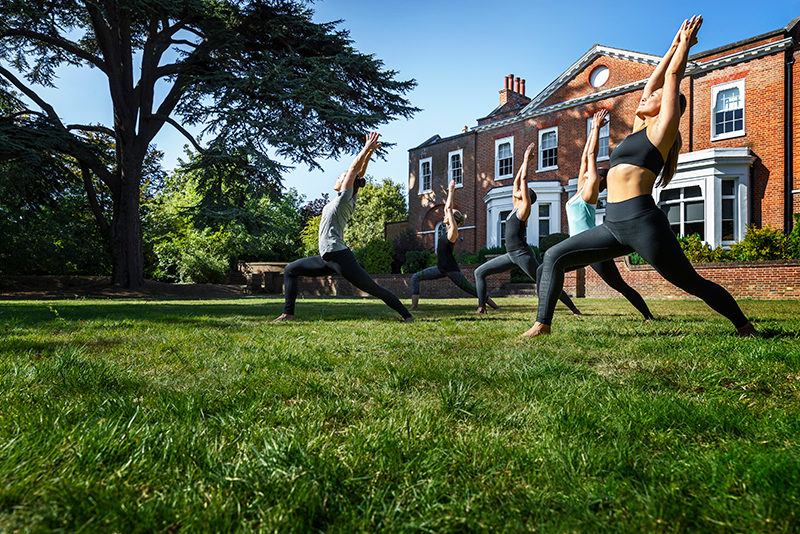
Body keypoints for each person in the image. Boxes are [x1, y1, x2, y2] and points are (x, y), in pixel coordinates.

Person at [525, 15, 756, 337]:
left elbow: (673, 76)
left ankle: (745, 326)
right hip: (613, 224)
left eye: (655, 97)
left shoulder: (662, 131)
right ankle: (542, 325)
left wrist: (684, 48)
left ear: (668, 107)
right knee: (553, 255)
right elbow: (653, 82)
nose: (646, 97)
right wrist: (672, 45)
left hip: (643, 222)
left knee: (690, 282)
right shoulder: (639, 130)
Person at [274, 132, 413, 322]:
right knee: (290, 269)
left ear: (346, 182)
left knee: (373, 288)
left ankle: (407, 315)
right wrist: (369, 153)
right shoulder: (343, 199)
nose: (339, 178)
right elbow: (358, 172)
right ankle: (288, 314)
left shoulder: (344, 200)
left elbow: (354, 169)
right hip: (326, 257)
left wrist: (365, 149)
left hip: (339, 257)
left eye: (342, 177)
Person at [547, 108, 653, 320]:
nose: (586, 172)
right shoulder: (579, 190)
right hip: (578, 247)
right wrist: (591, 134)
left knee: (619, 285)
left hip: (590, 246)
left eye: (591, 173)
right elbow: (585, 157)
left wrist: (595, 128)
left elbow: (591, 156)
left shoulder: (589, 192)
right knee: (545, 270)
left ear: (598, 179)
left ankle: (648, 316)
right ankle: (567, 310)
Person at [474, 141, 582, 316]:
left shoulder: (524, 209)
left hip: (523, 255)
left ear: (526, 197)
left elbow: (523, 181)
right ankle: (481, 307)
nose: (516, 192)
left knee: (543, 280)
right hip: (511, 255)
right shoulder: (516, 206)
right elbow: (517, 183)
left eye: (522, 192)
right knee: (479, 272)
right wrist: (522, 164)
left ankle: (574, 309)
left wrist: (526, 160)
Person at [410, 180, 499, 310]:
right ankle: (414, 306)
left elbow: (449, 208)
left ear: (453, 219)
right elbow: (447, 208)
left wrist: (452, 191)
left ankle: (496, 307)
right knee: (415, 277)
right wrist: (450, 193)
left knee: (473, 291)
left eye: (448, 215)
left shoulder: (453, 232)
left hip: (452, 271)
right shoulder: (446, 230)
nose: (445, 214)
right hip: (440, 269)